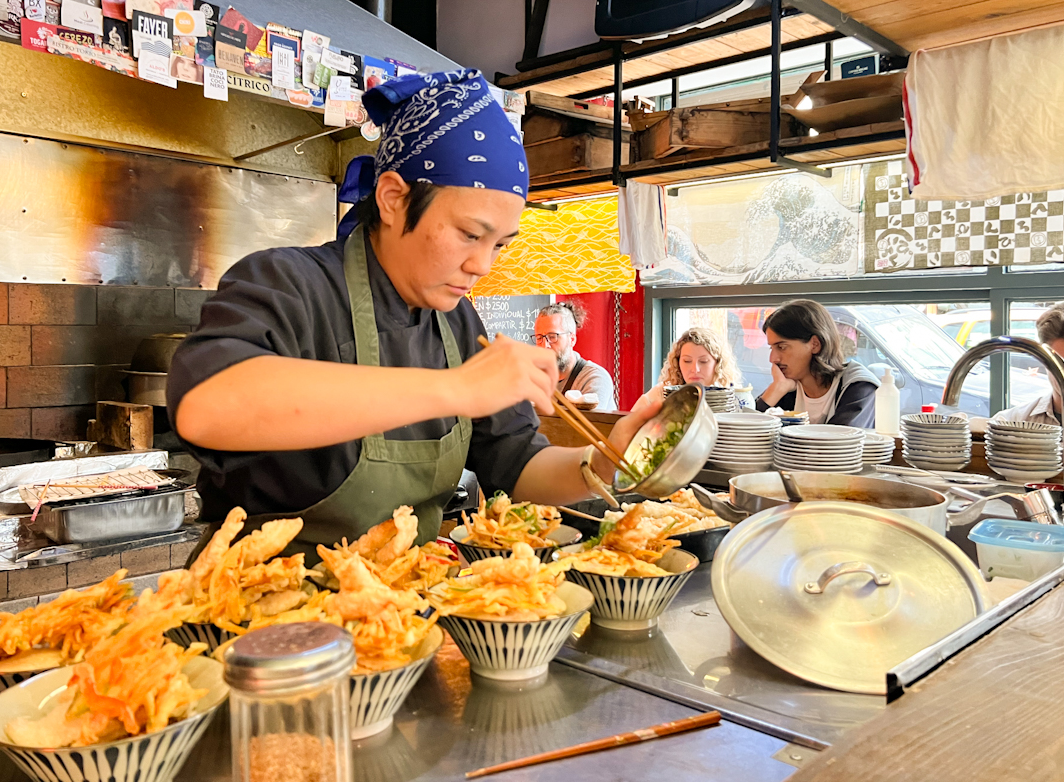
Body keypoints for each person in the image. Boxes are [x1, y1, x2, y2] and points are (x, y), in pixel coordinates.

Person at [167, 69, 659, 564]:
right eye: (470, 234)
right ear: (393, 198)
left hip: (403, 615)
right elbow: (205, 407)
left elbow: (519, 466)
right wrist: (455, 389)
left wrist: (608, 459)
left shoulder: (459, 325)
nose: (482, 266)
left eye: (500, 245)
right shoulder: (289, 283)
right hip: (259, 617)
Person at [755, 299, 879, 427]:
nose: (773, 358)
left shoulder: (859, 387)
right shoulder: (787, 388)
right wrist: (775, 390)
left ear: (815, 344)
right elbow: (744, 431)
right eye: (772, 348)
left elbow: (838, 442)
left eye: (781, 347)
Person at [533, 302, 617, 410]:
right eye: (539, 338)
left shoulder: (594, 378)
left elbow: (586, 425)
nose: (545, 346)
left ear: (572, 339)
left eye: (553, 337)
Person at [658, 327, 740, 388]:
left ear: (718, 363)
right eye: (687, 361)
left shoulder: (734, 398)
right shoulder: (662, 392)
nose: (695, 369)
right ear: (677, 362)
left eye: (703, 361)